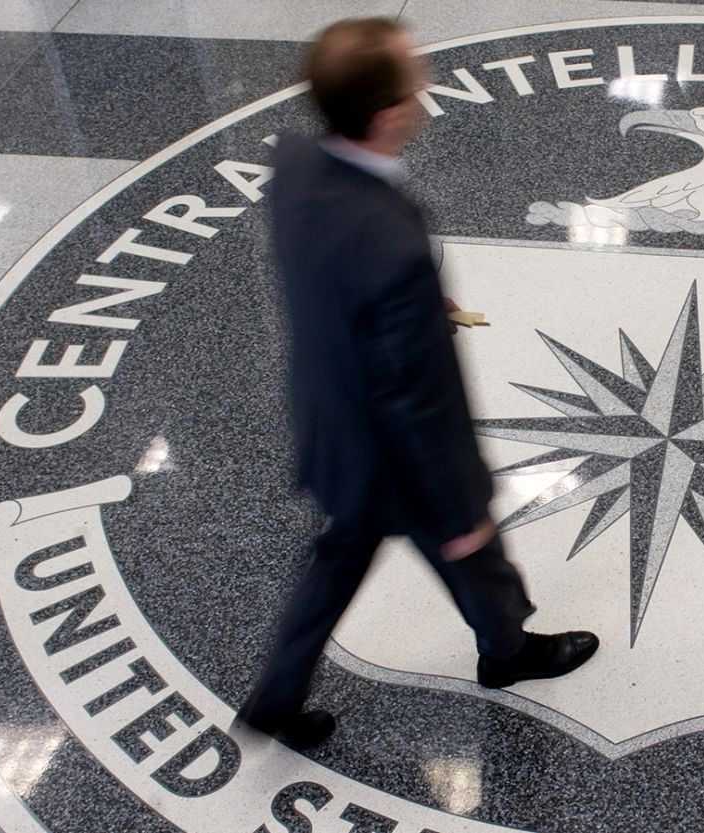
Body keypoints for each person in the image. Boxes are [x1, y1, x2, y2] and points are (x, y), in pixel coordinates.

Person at [237, 17, 598, 750]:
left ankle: (274, 696)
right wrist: (459, 500)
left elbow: (333, 270)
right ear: (387, 114)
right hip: (395, 455)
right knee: (475, 549)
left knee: (337, 562)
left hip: (329, 421)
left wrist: (409, 309)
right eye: (413, 81)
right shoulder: (393, 250)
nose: (425, 89)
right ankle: (508, 653)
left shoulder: (298, 163)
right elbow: (416, 399)